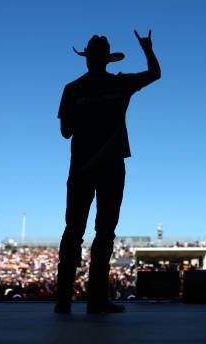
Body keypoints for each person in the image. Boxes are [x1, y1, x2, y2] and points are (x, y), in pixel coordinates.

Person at [55, 31, 161, 314]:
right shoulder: (121, 83)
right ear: (108, 59)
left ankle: (63, 301)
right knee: (105, 232)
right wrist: (148, 49)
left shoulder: (72, 88)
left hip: (81, 166)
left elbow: (66, 132)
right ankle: (97, 300)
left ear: (87, 59)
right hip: (112, 166)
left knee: (73, 230)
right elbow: (155, 73)